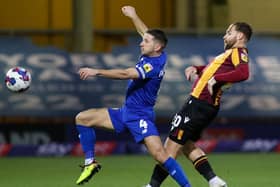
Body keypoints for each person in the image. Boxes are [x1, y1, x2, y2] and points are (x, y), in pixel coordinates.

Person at [75, 5, 191, 187]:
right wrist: (134, 16)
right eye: (143, 40)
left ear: (157, 46)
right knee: (82, 118)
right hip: (125, 113)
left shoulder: (152, 66)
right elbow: (144, 31)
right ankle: (90, 164)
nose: (141, 43)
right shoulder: (158, 52)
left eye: (145, 41)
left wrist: (96, 71)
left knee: (161, 156)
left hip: (140, 116)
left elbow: (125, 74)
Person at [145, 22, 253, 187]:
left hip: (198, 104)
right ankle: (214, 180)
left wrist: (217, 79)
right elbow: (213, 70)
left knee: (169, 148)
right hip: (203, 105)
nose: (224, 36)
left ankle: (152, 186)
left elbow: (243, 73)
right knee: (186, 145)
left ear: (239, 36)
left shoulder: (238, 52)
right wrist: (196, 68)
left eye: (229, 32)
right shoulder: (229, 54)